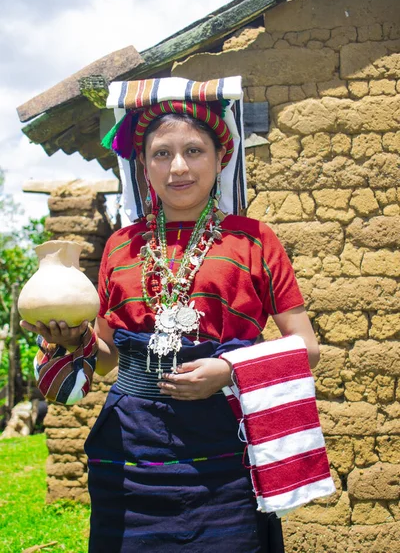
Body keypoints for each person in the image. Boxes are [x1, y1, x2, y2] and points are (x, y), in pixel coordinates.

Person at [22, 76, 320, 553]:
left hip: (228, 464)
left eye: (194, 151)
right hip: (130, 461)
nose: (178, 167)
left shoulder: (255, 241)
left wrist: (229, 370)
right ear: (142, 164)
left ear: (220, 159)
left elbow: (307, 348)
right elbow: (106, 358)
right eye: (161, 153)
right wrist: (72, 341)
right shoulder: (122, 245)